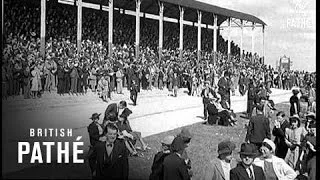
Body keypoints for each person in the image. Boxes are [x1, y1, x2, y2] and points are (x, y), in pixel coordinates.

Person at [87, 113, 106, 178]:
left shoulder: (100, 125)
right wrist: (99, 138)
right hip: (95, 142)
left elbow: (103, 132)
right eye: (94, 119)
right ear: (92, 119)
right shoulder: (91, 126)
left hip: (101, 141)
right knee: (92, 157)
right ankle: (94, 171)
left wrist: (103, 137)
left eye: (97, 118)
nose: (96, 120)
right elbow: (93, 135)